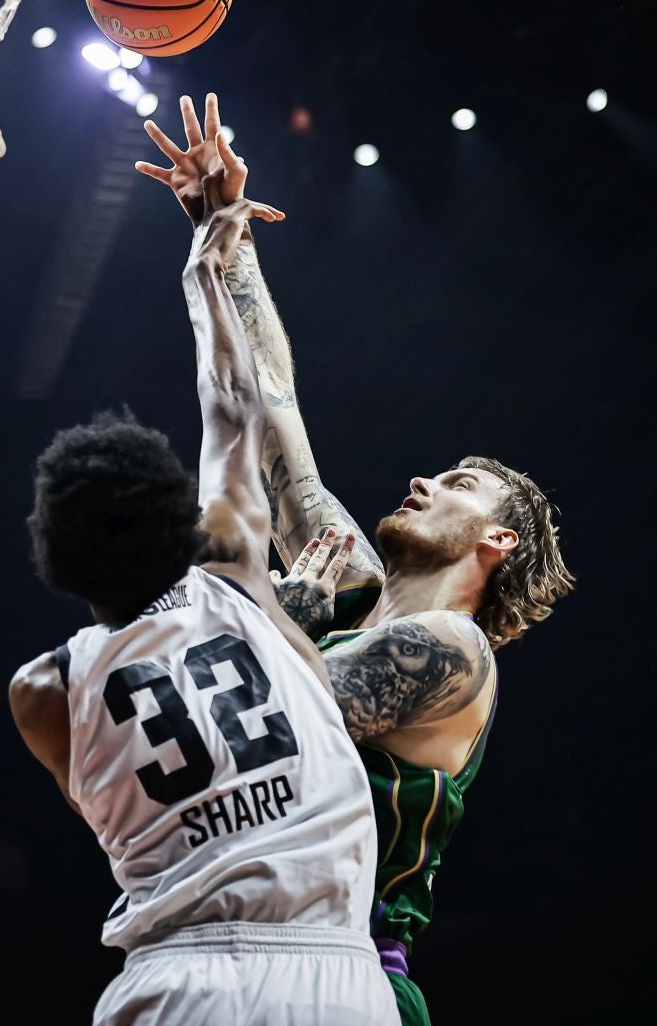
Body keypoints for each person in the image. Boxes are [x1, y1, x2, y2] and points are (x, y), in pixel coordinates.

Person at [137, 95, 578, 1025]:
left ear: (496, 543)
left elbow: (276, 722)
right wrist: (227, 236)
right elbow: (273, 407)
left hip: (342, 973)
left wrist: (281, 618)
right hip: (236, 949)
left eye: (458, 482)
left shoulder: (454, 651)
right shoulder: (350, 579)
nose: (424, 478)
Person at [9, 174, 401, 1025]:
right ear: (174, 515)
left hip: (172, 983)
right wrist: (204, 261)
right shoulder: (233, 568)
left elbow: (115, 811)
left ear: (56, 559)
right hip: (331, 971)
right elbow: (233, 403)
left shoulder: (42, 692)